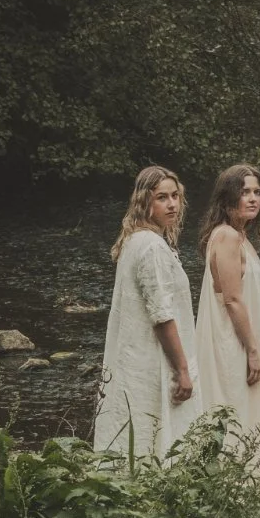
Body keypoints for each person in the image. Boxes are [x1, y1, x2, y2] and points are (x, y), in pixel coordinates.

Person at [93, 165, 200, 459]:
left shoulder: (138, 240)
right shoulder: (151, 247)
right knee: (151, 435)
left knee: (137, 431)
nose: (172, 204)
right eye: (162, 198)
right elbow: (162, 315)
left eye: (175, 196)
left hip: (135, 357)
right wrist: (183, 370)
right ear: (145, 202)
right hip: (151, 361)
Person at [193, 163, 260, 489]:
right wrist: (253, 350)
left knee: (244, 413)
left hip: (239, 341)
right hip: (233, 344)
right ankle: (236, 490)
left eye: (257, 192)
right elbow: (231, 299)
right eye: (245, 192)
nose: (253, 198)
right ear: (228, 196)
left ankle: (245, 489)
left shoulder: (237, 236)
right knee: (236, 411)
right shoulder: (228, 237)